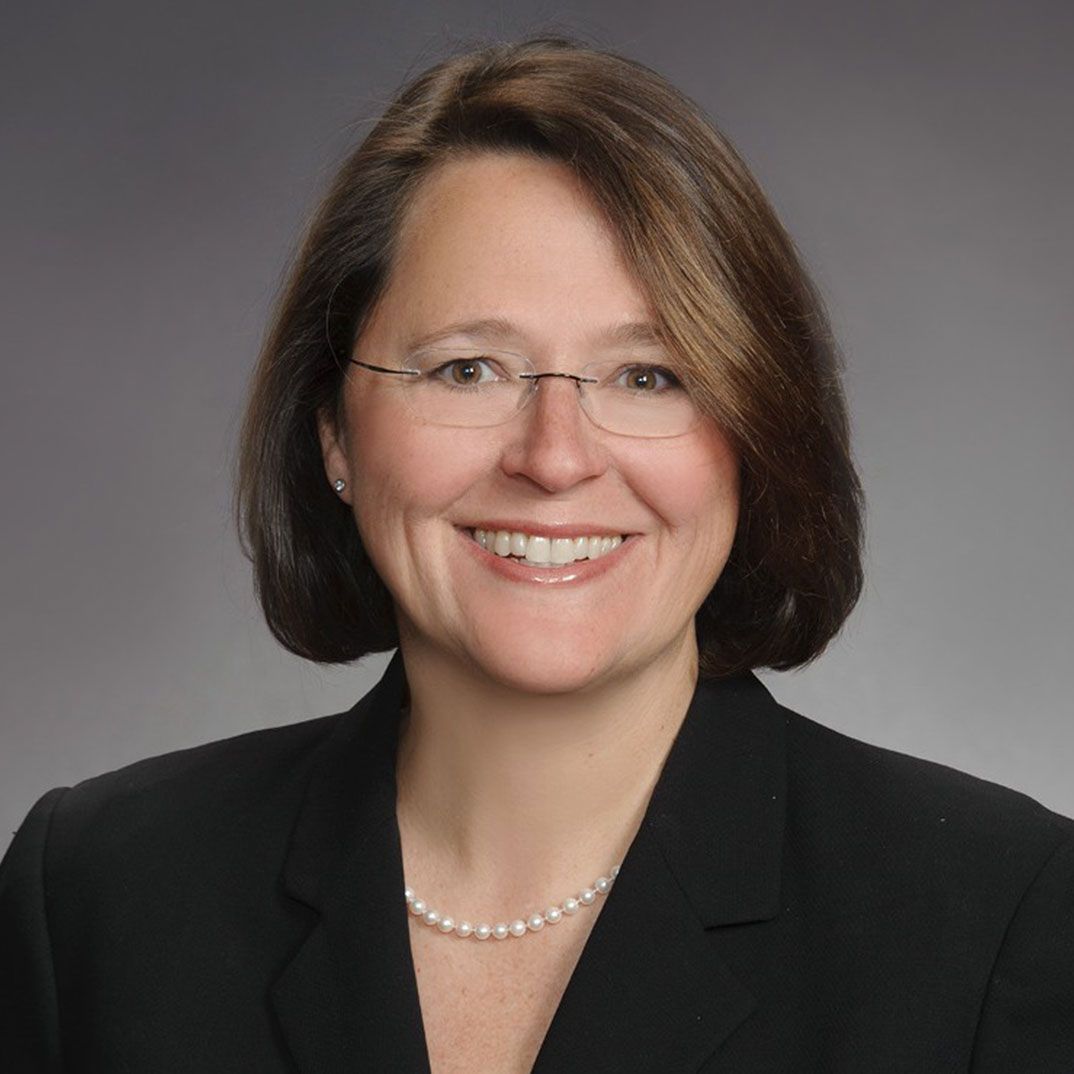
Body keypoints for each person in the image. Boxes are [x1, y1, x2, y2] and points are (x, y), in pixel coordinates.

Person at [1, 35, 1071, 1074]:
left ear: (756, 435)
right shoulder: (95, 898)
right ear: (333, 431)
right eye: (467, 369)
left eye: (650, 376)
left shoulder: (1002, 920)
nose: (554, 459)